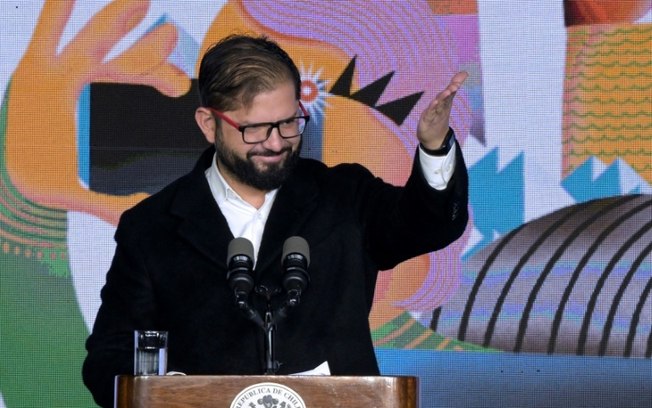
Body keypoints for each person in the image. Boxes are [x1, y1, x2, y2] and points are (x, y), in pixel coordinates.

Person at [82, 33, 469, 407]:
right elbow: (108, 359)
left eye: (289, 123)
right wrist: (176, 393)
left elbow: (428, 224)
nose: (276, 142)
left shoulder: (344, 197)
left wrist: (435, 148)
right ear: (208, 123)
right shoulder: (151, 228)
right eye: (254, 129)